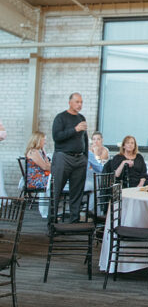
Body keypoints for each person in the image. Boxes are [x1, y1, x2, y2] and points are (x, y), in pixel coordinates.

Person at [51, 92, 88, 223]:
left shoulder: (81, 117)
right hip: (63, 157)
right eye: (77, 102)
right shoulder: (60, 118)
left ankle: (74, 221)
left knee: (77, 191)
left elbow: (85, 140)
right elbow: (57, 137)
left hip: (80, 159)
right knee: (56, 190)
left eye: (81, 102)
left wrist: (86, 157)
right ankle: (53, 221)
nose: (80, 104)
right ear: (70, 102)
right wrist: (75, 129)